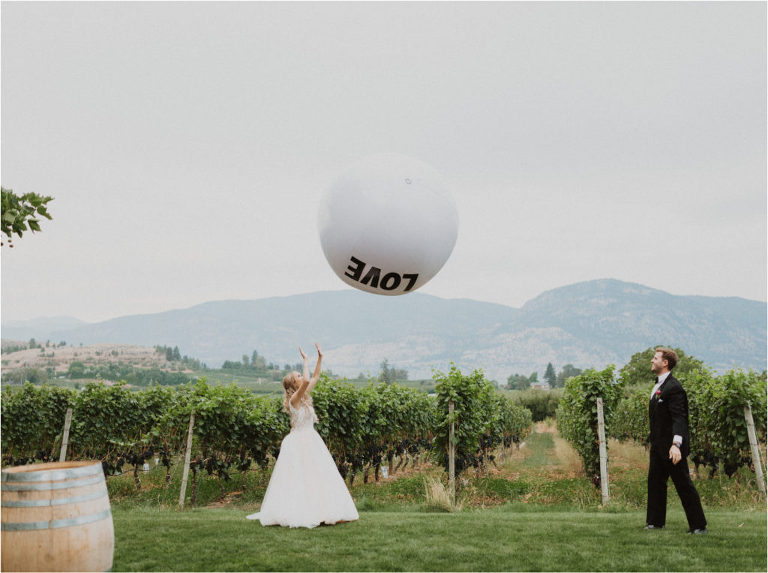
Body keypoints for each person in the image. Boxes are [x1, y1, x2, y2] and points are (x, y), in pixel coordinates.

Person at [246, 343, 359, 528]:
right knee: (300, 477)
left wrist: (320, 358)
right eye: (298, 376)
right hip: (299, 442)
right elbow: (307, 380)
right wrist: (305, 360)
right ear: (294, 384)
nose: (301, 376)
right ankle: (304, 511)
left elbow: (314, 377)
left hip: (311, 439)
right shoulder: (294, 399)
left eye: (300, 373)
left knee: (318, 476)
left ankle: (323, 509)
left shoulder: (304, 395)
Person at [645, 347, 707, 534]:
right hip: (658, 446)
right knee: (655, 483)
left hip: (672, 448)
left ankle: (698, 526)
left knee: (683, 484)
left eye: (655, 358)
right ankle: (655, 522)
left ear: (665, 363)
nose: (651, 361)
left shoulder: (674, 388)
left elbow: (679, 418)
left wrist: (676, 445)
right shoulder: (658, 386)